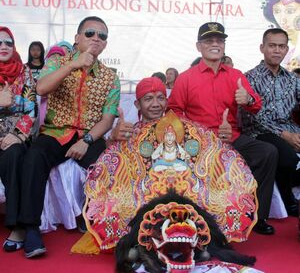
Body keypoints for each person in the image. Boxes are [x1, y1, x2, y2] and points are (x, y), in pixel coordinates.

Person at [71, 76, 258, 254]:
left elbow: (204, 153)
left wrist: (222, 140)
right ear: (137, 104)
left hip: (181, 188)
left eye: (160, 98)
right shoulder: (128, 130)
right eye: (148, 99)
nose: (155, 104)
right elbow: (112, 162)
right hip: (141, 189)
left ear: (166, 102)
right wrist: (113, 138)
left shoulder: (183, 129)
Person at [15, 16, 120, 258]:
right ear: (77, 38)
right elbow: (41, 88)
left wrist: (87, 141)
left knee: (110, 164)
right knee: (34, 158)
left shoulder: (110, 77)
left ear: (105, 44)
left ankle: (95, 220)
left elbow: (107, 119)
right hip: (55, 133)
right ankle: (31, 228)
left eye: (102, 36)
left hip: (88, 135)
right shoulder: (57, 62)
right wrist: (73, 65)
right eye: (90, 33)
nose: (96, 38)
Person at [167, 22, 278, 235]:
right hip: (199, 143)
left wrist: (247, 98)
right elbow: (173, 113)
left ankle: (258, 216)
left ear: (224, 45)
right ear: (199, 46)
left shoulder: (235, 75)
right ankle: (206, 214)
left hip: (232, 138)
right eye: (209, 40)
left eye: (219, 40)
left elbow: (256, 105)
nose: (215, 44)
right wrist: (199, 134)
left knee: (268, 152)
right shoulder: (186, 78)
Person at [243, 28, 300, 216]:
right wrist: (284, 135)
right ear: (262, 48)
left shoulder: (292, 79)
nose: (277, 50)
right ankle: (287, 197)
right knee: (287, 155)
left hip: (290, 129)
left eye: (281, 46)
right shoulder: (250, 77)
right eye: (272, 46)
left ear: (286, 50)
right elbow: (251, 117)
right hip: (259, 131)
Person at [0, 27, 37, 252]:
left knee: (14, 156)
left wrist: (17, 135)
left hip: (15, 137)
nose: (3, 46)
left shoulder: (25, 73)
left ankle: (17, 226)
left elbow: (32, 110)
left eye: (8, 42)